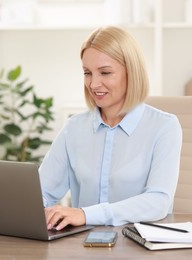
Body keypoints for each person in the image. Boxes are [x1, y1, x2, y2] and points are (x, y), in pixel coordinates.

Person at [39, 26, 182, 231]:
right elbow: (43, 192)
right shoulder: (74, 128)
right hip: (82, 246)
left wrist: (86, 214)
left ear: (131, 73)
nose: (94, 84)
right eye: (87, 73)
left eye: (105, 73)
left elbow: (158, 202)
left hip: (139, 245)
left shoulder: (164, 127)